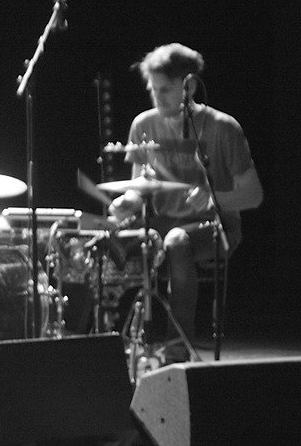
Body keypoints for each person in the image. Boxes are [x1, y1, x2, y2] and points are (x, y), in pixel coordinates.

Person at [108, 43, 262, 363]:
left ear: (189, 86)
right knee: (103, 239)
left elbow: (254, 195)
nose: (157, 97)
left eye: (165, 89)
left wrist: (214, 197)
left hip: (215, 226)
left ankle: (178, 347)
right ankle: (101, 342)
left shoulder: (223, 128)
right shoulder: (143, 125)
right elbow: (138, 188)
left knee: (177, 242)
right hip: (161, 223)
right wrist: (127, 203)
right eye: (153, 89)